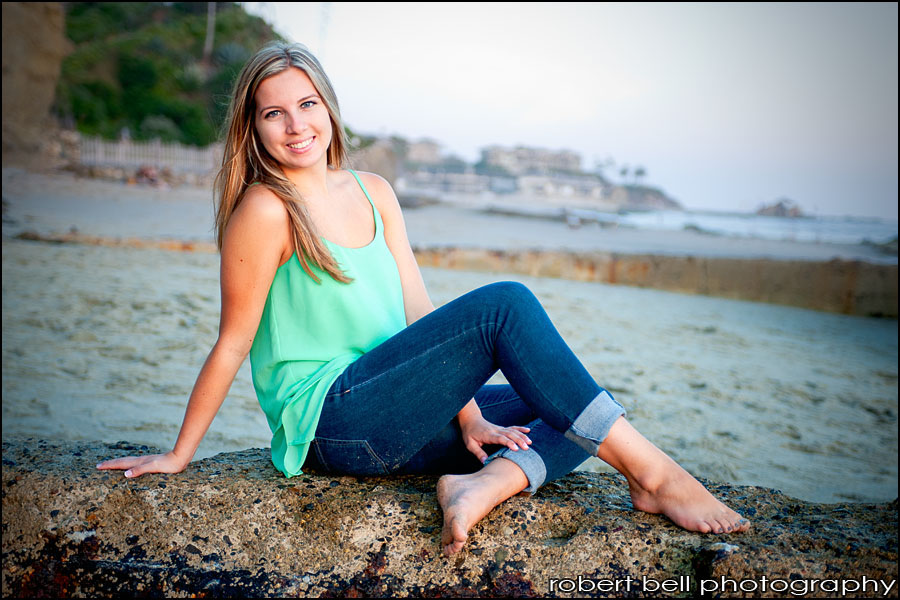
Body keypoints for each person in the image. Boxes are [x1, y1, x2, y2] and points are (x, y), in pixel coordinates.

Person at [97, 41, 750, 556]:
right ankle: (658, 478)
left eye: (308, 105)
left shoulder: (375, 190)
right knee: (507, 306)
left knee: (579, 398)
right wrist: (180, 453)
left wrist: (469, 417)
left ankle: (485, 482)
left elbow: (417, 313)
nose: (296, 126)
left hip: (399, 411)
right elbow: (233, 340)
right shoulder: (266, 210)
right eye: (274, 113)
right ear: (254, 126)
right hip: (334, 423)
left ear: (329, 108)